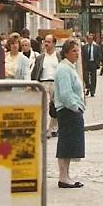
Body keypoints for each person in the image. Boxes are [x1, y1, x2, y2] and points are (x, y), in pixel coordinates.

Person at [53, 39, 86, 188]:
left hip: (70, 110)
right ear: (66, 53)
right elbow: (66, 93)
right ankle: (63, 177)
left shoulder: (69, 68)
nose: (77, 53)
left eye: (78, 50)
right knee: (66, 144)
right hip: (67, 111)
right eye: (74, 51)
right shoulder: (64, 69)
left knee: (69, 145)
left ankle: (66, 176)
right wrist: (76, 107)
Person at [31, 35, 60, 136]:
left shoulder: (58, 56)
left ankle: (54, 128)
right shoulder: (40, 57)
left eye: (49, 42)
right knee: (45, 106)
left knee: (55, 106)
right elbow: (35, 72)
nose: (46, 44)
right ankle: (46, 129)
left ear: (54, 43)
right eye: (45, 42)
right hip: (43, 83)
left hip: (55, 83)